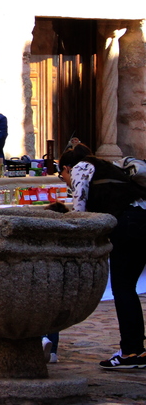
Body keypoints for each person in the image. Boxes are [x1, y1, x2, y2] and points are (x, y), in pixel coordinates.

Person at [58, 146, 146, 369]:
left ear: (67, 168)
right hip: (142, 218)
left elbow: (79, 211)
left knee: (123, 288)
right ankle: (136, 350)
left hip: (128, 225)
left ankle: (131, 351)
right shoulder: (106, 168)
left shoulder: (81, 167)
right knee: (129, 288)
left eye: (63, 176)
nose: (66, 181)